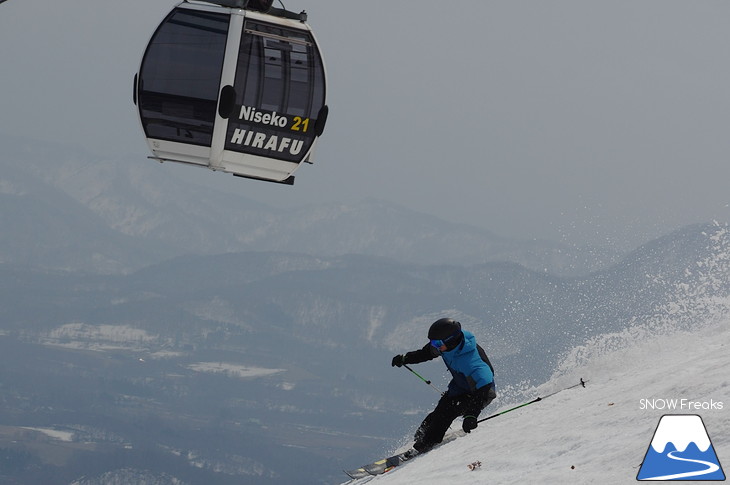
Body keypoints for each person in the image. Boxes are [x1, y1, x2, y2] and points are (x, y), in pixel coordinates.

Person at [391, 318, 496, 453]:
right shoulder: (445, 347)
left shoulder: (472, 362)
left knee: (446, 414)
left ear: (451, 341)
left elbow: (485, 387)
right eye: (433, 342)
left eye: (437, 343)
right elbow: (426, 353)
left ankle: (426, 444)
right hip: (460, 386)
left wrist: (471, 415)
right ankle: (420, 439)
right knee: (431, 421)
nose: (434, 345)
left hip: (479, 393)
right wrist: (406, 358)